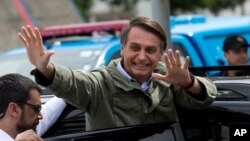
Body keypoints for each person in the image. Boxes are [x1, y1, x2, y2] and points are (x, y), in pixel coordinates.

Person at [18, 16, 217, 131]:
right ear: (122, 49)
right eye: (135, 48)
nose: (141, 57)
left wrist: (188, 82)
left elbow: (208, 96)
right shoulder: (100, 83)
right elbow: (73, 82)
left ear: (161, 54)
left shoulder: (168, 78)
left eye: (150, 50)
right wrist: (46, 68)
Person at [0, 73, 43, 140]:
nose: (41, 116)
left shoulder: (26, 129)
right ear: (14, 109)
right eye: (37, 108)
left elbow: (51, 111)